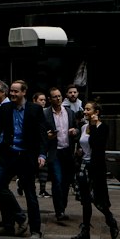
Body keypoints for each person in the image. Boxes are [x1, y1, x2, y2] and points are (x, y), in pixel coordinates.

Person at [0, 78, 46, 238]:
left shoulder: (34, 110)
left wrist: (41, 154)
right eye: (11, 91)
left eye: (16, 91)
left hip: (26, 156)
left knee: (30, 194)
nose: (12, 94)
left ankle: (35, 230)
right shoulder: (5, 109)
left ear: (24, 92)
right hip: (7, 155)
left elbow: (42, 135)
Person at [73, 99, 119, 239]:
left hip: (96, 167)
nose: (85, 112)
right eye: (85, 109)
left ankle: (110, 220)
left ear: (96, 112)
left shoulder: (102, 127)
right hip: (83, 165)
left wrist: (92, 126)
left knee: (97, 199)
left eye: (88, 109)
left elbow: (96, 144)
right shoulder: (83, 126)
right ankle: (85, 229)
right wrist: (79, 151)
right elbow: (82, 144)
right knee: (85, 200)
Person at [44, 86, 80, 223]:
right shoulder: (46, 114)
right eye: (55, 97)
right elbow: (40, 132)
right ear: (50, 99)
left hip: (67, 151)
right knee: (57, 181)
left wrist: (75, 132)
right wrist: (47, 136)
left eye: (59, 96)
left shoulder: (69, 113)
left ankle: (62, 207)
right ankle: (59, 211)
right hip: (54, 152)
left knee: (66, 182)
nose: (58, 99)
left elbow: (76, 129)